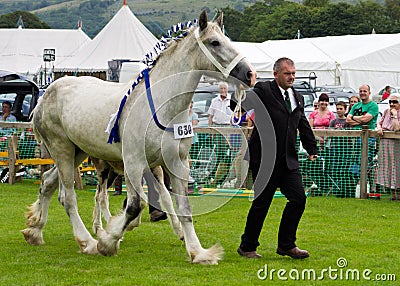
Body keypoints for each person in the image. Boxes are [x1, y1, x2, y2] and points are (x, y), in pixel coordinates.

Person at [237, 57, 318, 259]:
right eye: (287, 73)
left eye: (293, 73)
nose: (291, 77)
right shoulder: (264, 90)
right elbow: (240, 103)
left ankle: (286, 245)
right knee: (261, 204)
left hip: (288, 159)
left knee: (298, 199)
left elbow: (302, 123)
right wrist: (248, 85)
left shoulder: (297, 97)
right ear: (276, 74)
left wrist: (311, 147)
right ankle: (247, 246)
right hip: (265, 159)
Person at [375, 93, 400, 201]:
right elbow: (379, 123)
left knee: (397, 167)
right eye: (390, 102)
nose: (392, 104)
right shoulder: (386, 111)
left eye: (395, 102)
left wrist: (394, 115)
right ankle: (393, 194)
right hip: (385, 144)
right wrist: (379, 128)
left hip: (397, 144)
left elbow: (396, 128)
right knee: (388, 167)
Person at [208, 82, 233, 186]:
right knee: (218, 152)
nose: (223, 90)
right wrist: (211, 130)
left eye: (224, 88)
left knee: (229, 153)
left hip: (228, 128)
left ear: (227, 90)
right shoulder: (214, 101)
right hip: (217, 127)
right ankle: (215, 175)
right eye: (221, 88)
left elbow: (236, 114)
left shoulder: (232, 100)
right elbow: (210, 116)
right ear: (219, 90)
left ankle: (226, 176)